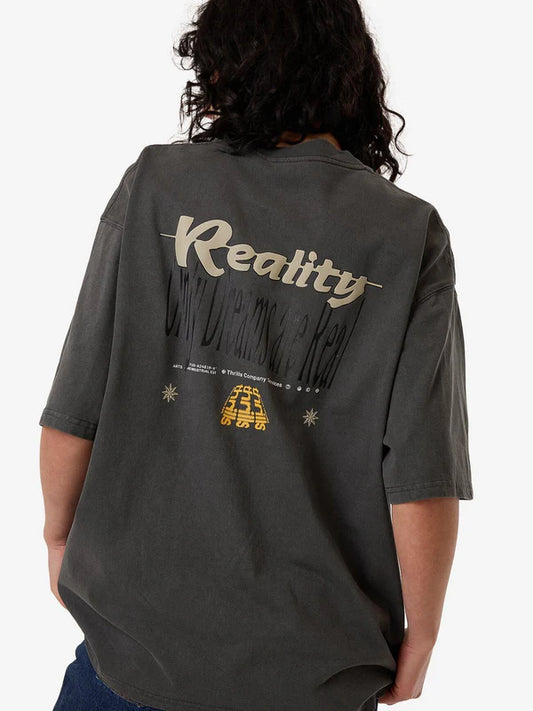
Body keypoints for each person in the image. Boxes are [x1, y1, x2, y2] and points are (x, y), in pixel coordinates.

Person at [39, 1, 473, 709]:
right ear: (350, 73)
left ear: (219, 67)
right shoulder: (405, 233)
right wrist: (420, 637)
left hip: (134, 653)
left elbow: (74, 404)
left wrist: (58, 538)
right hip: (315, 670)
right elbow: (421, 472)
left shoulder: (156, 186)